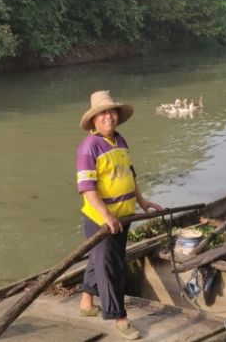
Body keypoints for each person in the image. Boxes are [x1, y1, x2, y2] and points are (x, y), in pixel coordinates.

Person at [75, 90, 162, 340]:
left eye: (112, 112)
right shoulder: (88, 147)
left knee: (99, 261)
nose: (108, 117)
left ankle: (86, 303)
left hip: (123, 216)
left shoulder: (120, 141)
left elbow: (129, 174)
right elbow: (87, 188)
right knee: (110, 267)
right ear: (93, 120)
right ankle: (119, 316)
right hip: (101, 219)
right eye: (102, 113)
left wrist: (142, 201)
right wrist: (106, 215)